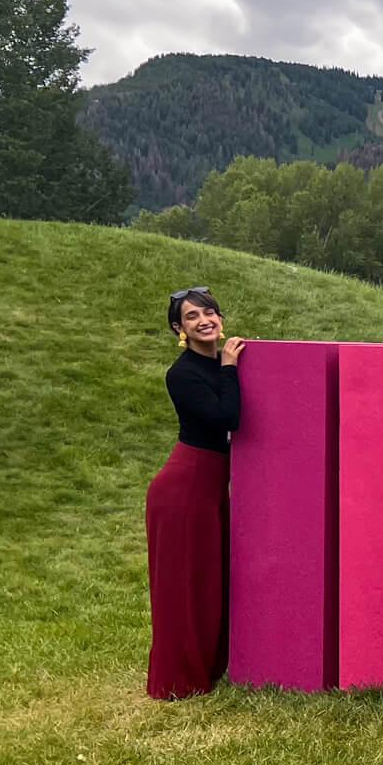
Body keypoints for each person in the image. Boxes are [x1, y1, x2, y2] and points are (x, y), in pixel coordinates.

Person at [145, 287, 246, 699]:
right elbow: (228, 416)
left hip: (210, 489)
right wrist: (229, 367)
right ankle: (177, 680)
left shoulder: (228, 363)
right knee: (183, 585)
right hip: (184, 491)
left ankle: (208, 666)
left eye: (210, 312)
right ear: (178, 329)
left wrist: (230, 366)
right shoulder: (183, 373)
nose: (204, 320)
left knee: (209, 580)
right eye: (191, 317)